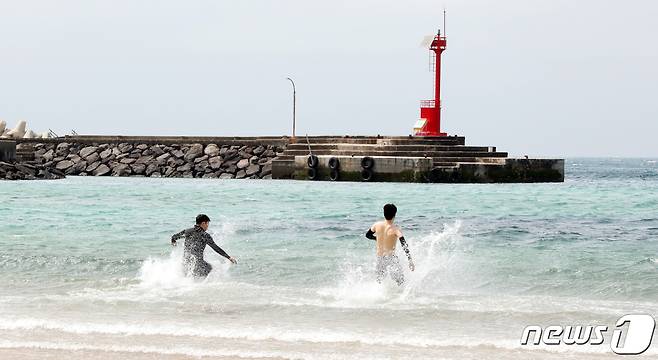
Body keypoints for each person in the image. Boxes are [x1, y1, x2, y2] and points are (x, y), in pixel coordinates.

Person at [171, 214, 237, 278]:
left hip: (185, 264)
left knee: (189, 281)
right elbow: (215, 248)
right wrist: (229, 257)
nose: (207, 226)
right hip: (198, 265)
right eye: (207, 223)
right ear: (203, 223)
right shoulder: (205, 235)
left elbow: (174, 237)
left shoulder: (187, 231)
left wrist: (173, 242)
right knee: (213, 271)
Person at [365, 204, 414, 286]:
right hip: (391, 259)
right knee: (400, 281)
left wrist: (377, 239)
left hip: (380, 258)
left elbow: (368, 235)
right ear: (395, 215)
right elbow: (404, 244)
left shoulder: (376, 225)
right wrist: (410, 260)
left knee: (379, 282)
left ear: (384, 213)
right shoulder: (396, 229)